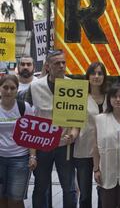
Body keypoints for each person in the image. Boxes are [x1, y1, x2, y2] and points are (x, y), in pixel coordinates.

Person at [26, 49, 79, 208]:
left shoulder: (74, 86)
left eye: (63, 62)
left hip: (65, 146)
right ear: (48, 66)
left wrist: (74, 134)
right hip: (42, 145)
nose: (62, 66)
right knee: (41, 187)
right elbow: (30, 120)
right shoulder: (35, 87)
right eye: (57, 63)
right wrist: (32, 154)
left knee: (69, 188)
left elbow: (77, 118)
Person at [73, 62, 107, 208]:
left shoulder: (111, 97)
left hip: (106, 151)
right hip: (84, 150)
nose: (96, 76)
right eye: (93, 73)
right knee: (85, 195)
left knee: (104, 191)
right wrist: (72, 135)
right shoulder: (80, 96)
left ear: (104, 77)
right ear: (88, 76)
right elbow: (75, 121)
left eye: (100, 73)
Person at [0, 75, 36, 208]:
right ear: (0, 88)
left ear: (17, 90)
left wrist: (32, 156)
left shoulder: (24, 107)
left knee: (16, 199)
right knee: (1, 199)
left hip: (20, 159)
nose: (8, 91)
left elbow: (31, 134)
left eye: (12, 88)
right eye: (5, 87)